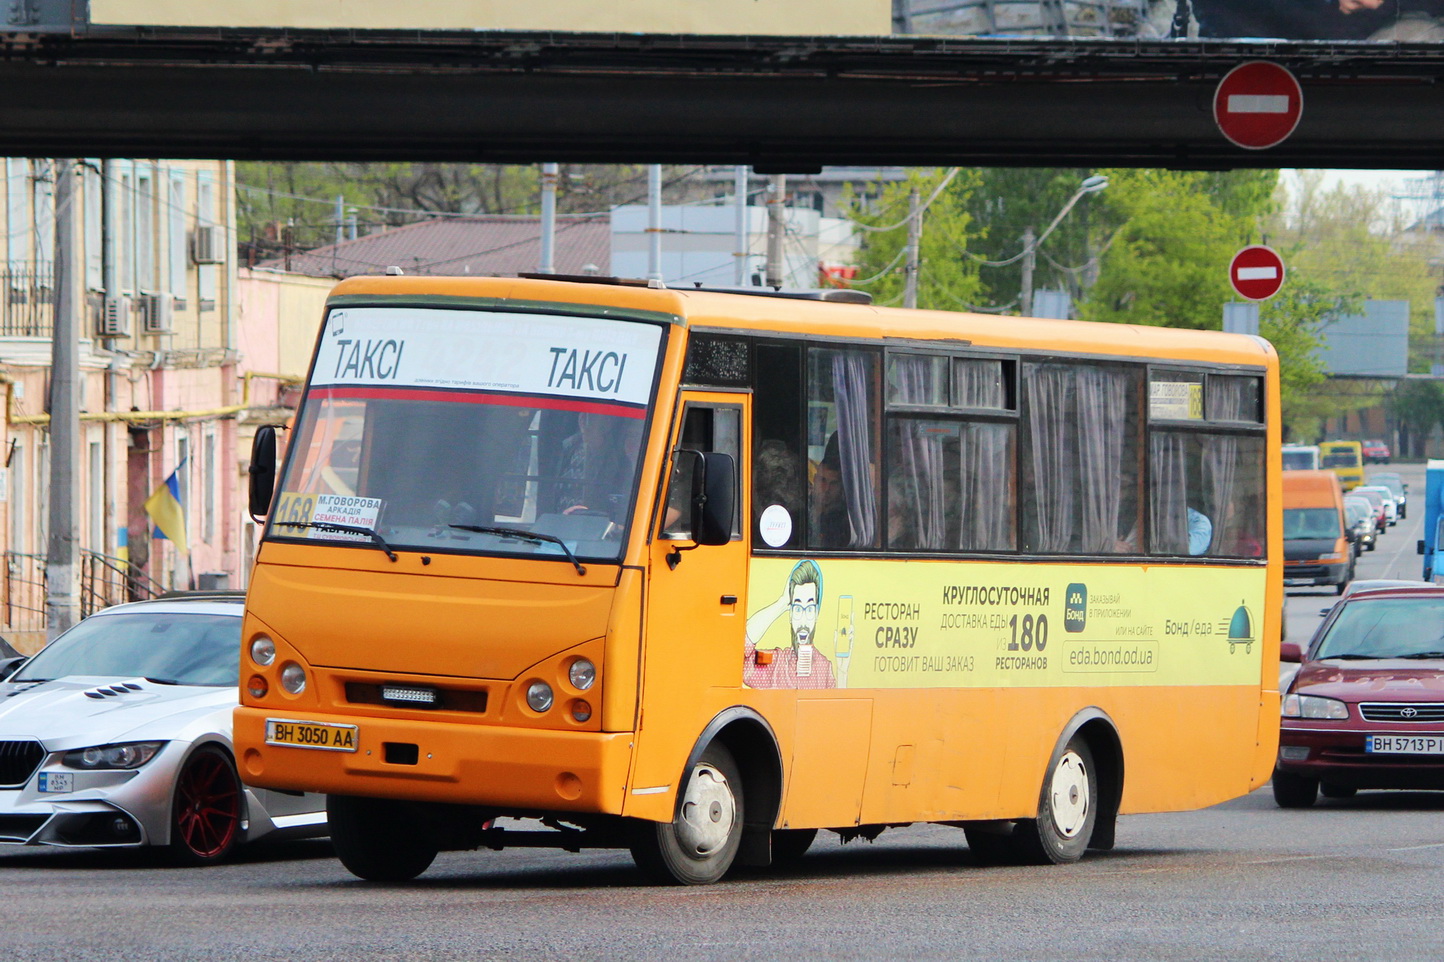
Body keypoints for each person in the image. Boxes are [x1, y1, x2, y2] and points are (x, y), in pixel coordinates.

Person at [743, 560, 839, 689]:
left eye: (809, 609)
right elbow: (737, 657)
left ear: (816, 614)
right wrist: (781, 604)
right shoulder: (775, 665)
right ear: (791, 614)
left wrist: (843, 670)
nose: (803, 621)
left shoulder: (824, 668)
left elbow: (833, 706)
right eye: (798, 609)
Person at [811, 433, 850, 548]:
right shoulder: (803, 509)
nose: (826, 489)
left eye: (833, 484)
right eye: (822, 480)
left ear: (841, 487)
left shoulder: (844, 521)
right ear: (814, 480)